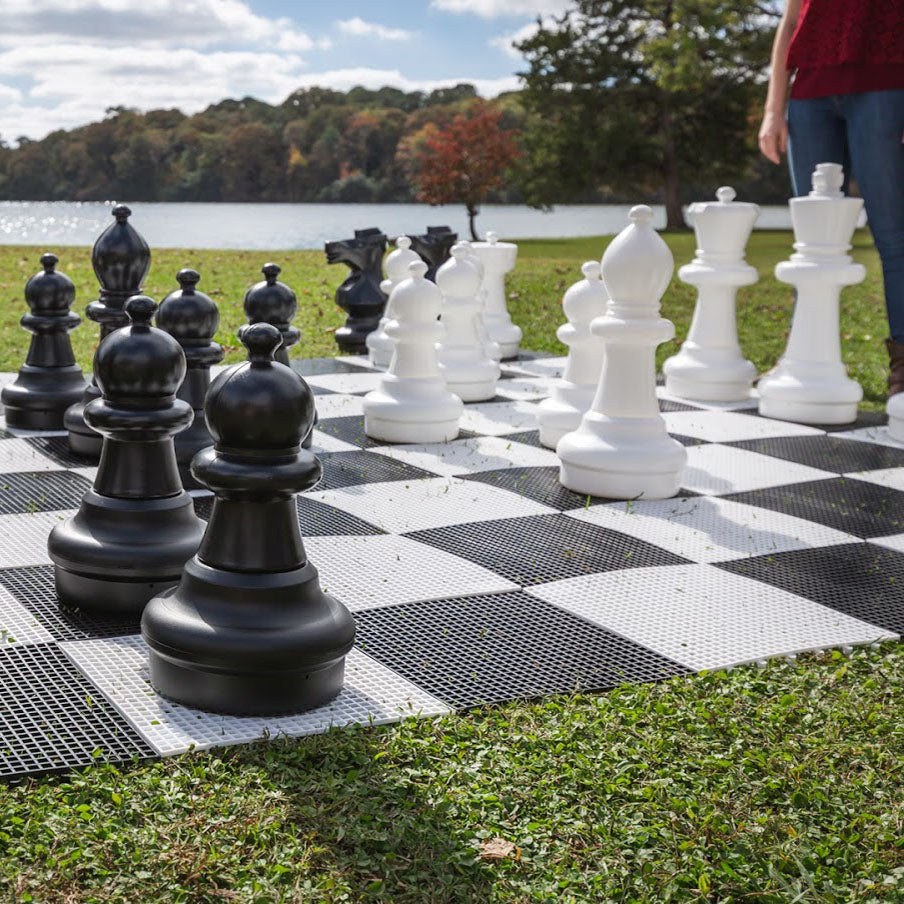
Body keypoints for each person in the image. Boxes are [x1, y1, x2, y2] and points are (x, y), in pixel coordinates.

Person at [758, 0, 904, 396]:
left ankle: (903, 367)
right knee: (812, 245)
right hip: (810, 95)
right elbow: (790, 22)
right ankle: (802, 357)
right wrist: (774, 108)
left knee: (894, 238)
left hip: (887, 89)